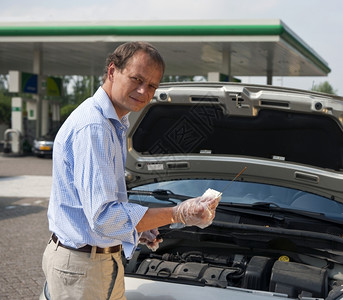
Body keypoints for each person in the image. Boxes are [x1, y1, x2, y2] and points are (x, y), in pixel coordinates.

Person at [42, 41, 220, 300]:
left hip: (95, 263)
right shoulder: (95, 128)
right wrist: (177, 213)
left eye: (151, 86)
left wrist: (137, 228)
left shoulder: (114, 121)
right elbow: (103, 217)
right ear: (112, 71)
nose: (143, 90)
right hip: (82, 270)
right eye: (137, 79)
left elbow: (102, 209)